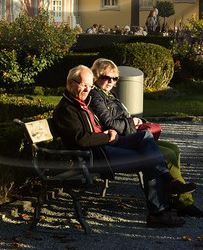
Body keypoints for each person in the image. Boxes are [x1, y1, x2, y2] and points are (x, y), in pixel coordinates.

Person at [53, 65, 187, 227]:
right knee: (148, 159)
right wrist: (107, 136)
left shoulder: (81, 102)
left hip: (104, 145)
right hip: (96, 155)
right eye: (83, 85)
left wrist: (109, 132)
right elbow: (81, 140)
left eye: (90, 85)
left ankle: (166, 182)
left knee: (144, 135)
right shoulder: (66, 109)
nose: (87, 89)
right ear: (70, 83)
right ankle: (158, 212)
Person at [88, 58, 203, 218]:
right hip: (120, 141)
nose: (111, 81)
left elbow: (124, 117)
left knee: (172, 149)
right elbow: (109, 123)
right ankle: (181, 201)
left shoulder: (109, 94)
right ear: (96, 76)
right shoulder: (96, 96)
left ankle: (175, 196)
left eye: (114, 78)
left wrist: (139, 122)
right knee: (164, 156)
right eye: (106, 77)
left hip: (130, 136)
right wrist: (132, 122)